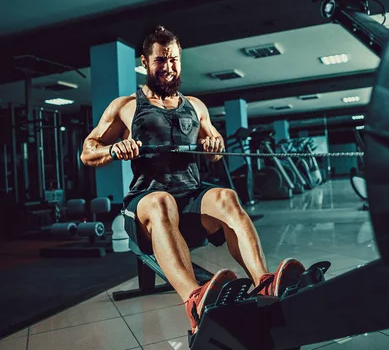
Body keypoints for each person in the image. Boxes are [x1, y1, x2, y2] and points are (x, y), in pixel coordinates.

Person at [80, 26, 305, 333]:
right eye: (160, 60)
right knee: (162, 201)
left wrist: (214, 145)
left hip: (191, 199)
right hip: (147, 203)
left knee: (226, 197)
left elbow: (215, 150)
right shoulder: (125, 106)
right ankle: (195, 300)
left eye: (174, 60)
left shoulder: (195, 106)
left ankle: (264, 284)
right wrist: (114, 148)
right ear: (145, 63)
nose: (169, 67)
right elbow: (88, 153)